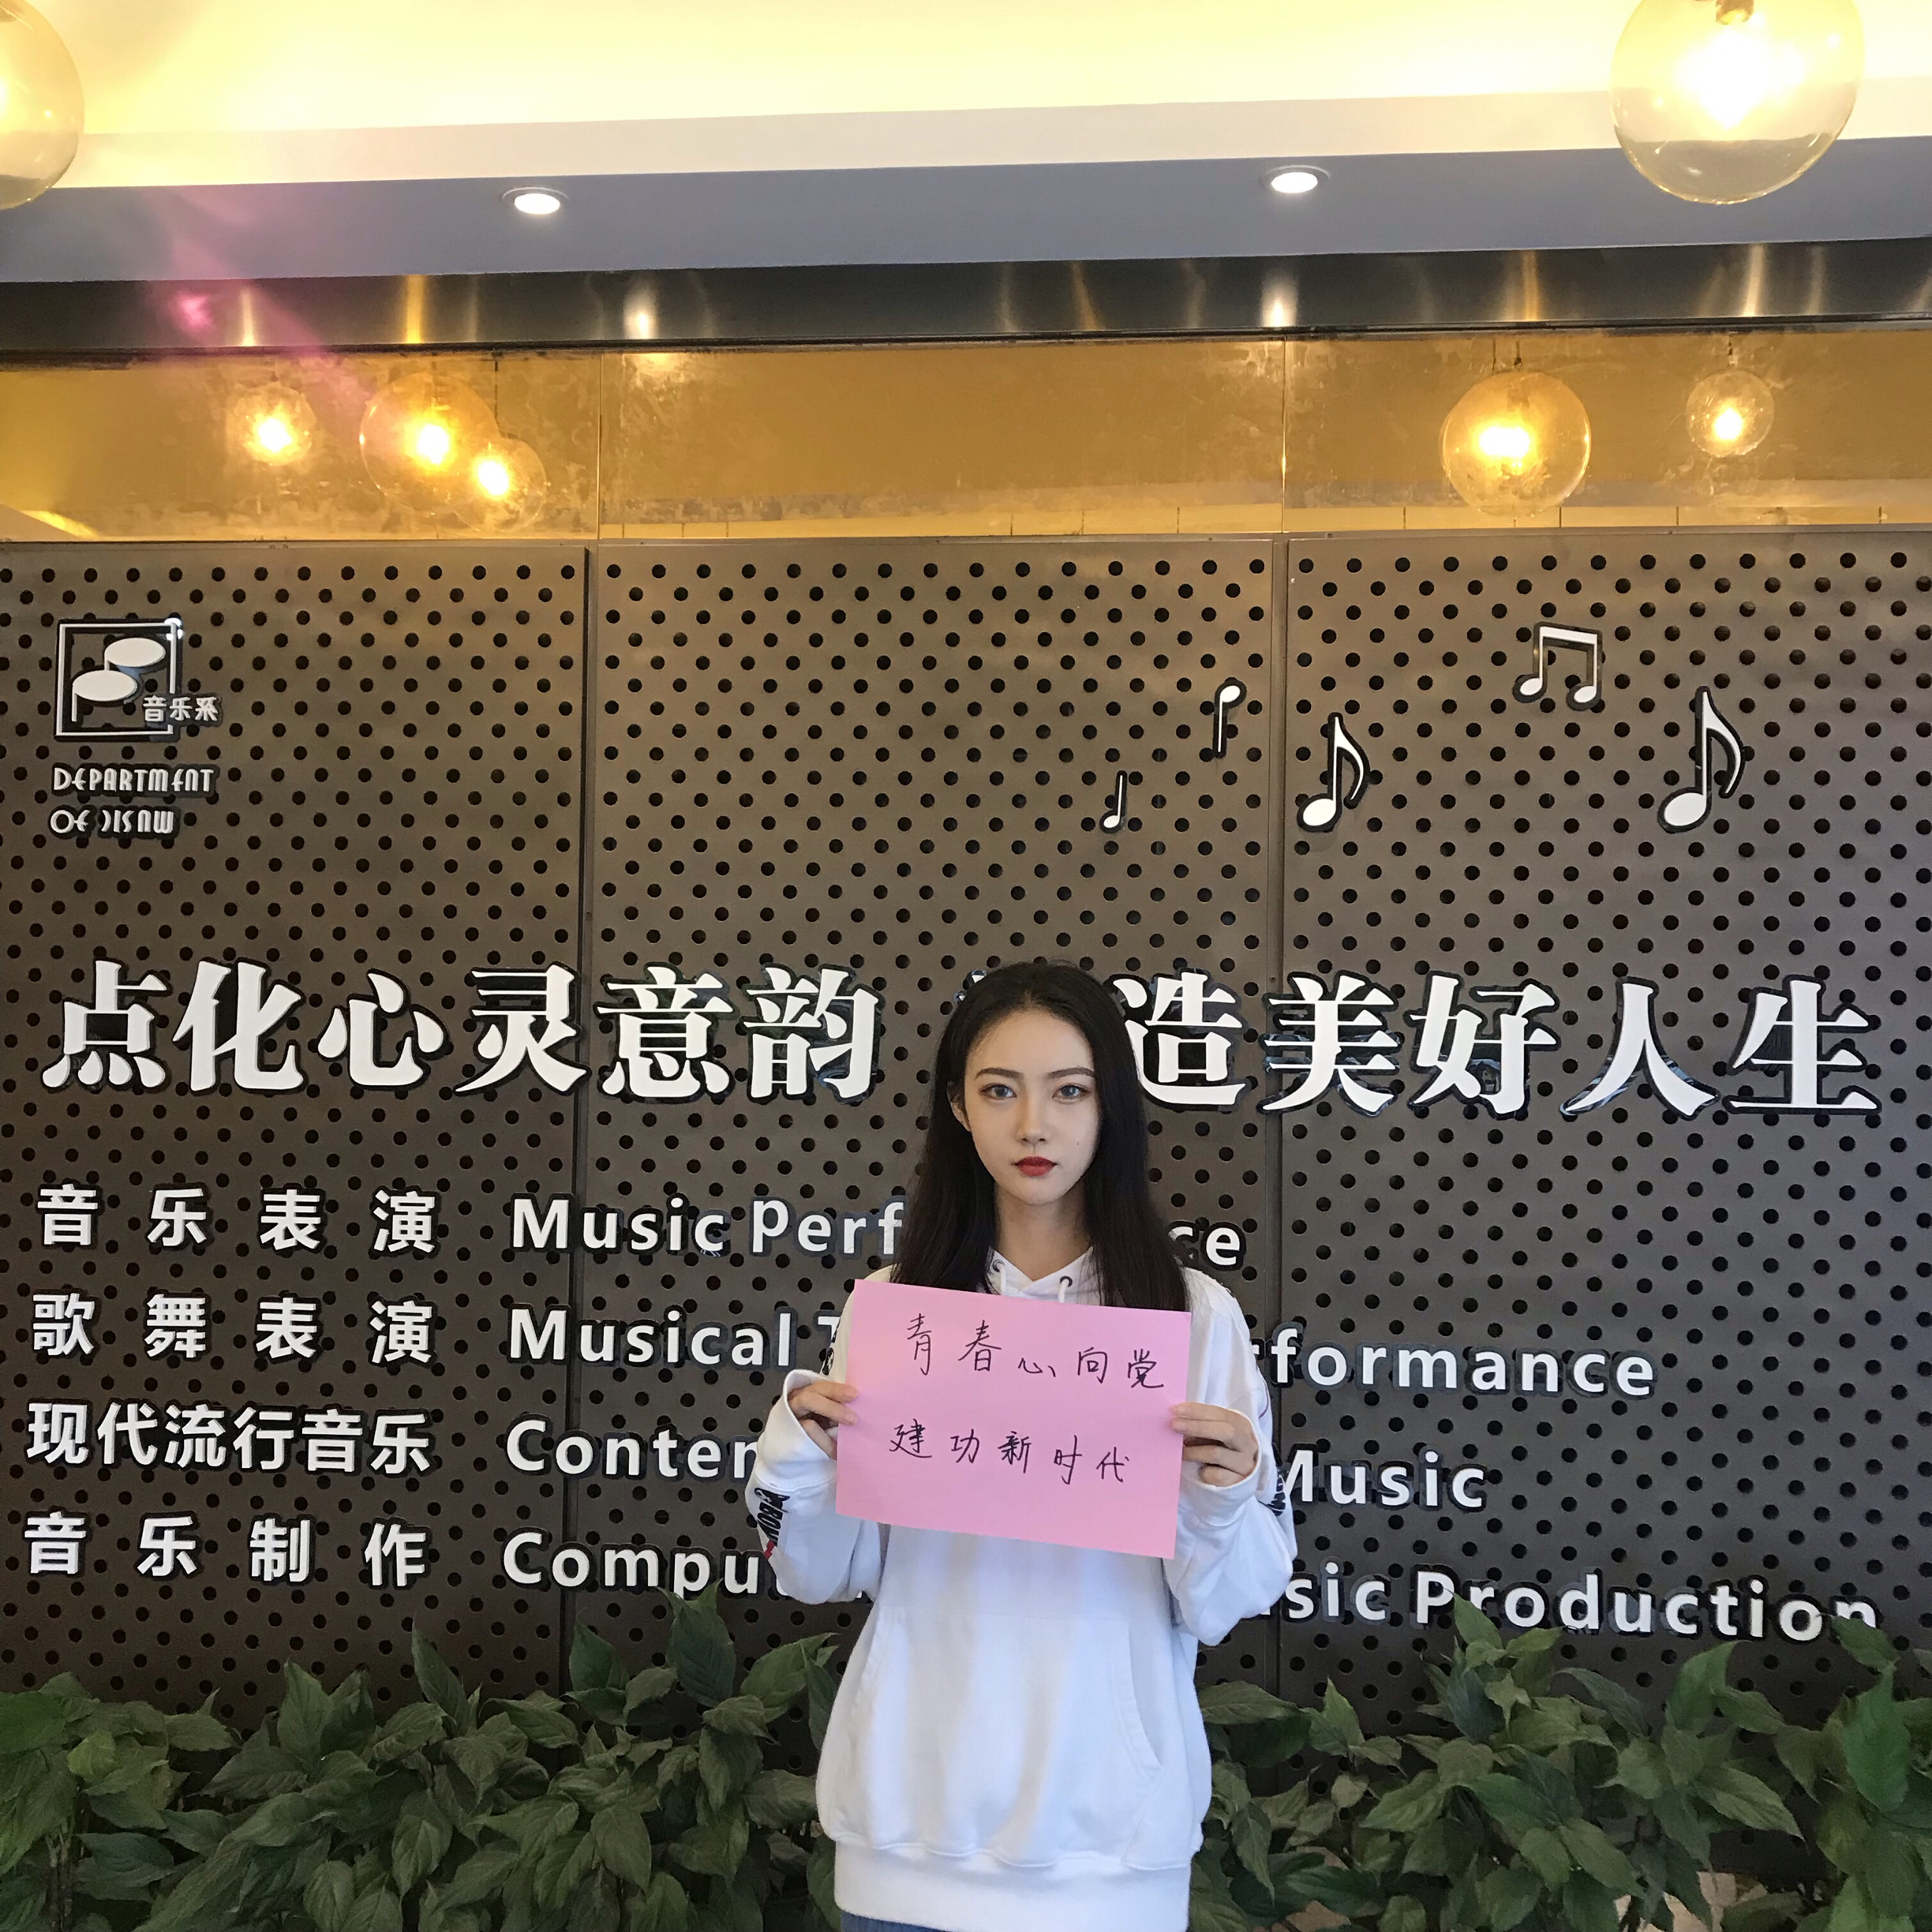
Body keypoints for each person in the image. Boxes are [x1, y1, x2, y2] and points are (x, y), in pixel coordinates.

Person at [746, 960, 1297, 1932]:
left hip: (1109, 1851)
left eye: (1069, 1091)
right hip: (906, 1834)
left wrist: (1224, 1494)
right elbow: (821, 1571)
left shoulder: (1192, 1317)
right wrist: (800, 1453)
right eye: (1000, 1091)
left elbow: (1228, 1601)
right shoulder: (895, 1309)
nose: (1034, 1125)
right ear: (959, 1108)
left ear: (1112, 1105)